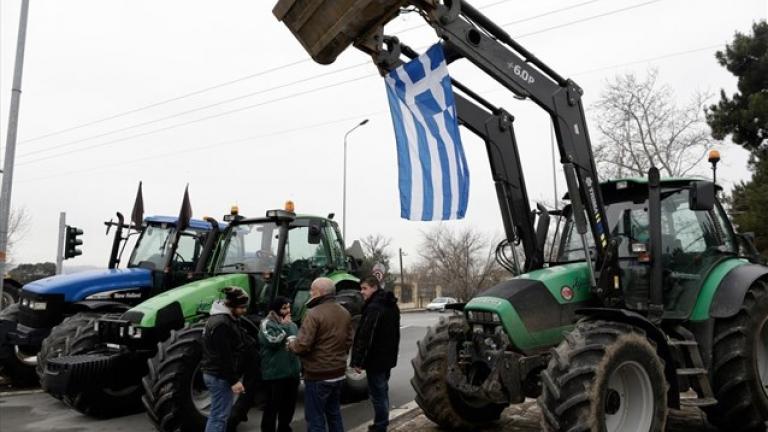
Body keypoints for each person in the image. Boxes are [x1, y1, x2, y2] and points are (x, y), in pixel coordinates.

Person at [287, 277, 353, 432]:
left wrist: (291, 344)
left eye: (312, 290)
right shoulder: (345, 312)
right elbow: (349, 340)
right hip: (338, 372)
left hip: (318, 375)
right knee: (334, 414)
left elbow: (302, 345)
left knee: (315, 418)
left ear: (319, 292)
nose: (310, 292)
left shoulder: (313, 314)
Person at [351, 276, 401, 432]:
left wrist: (358, 361)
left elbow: (366, 336)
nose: (362, 292)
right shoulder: (390, 305)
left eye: (364, 288)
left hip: (376, 360)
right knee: (382, 392)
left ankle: (380, 426)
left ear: (374, 287)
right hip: (387, 357)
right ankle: (381, 423)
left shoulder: (374, 307)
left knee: (378, 396)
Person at [201, 287, 250, 432]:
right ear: (232, 306)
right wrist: (234, 380)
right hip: (219, 375)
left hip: (214, 373)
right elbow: (224, 356)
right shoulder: (222, 323)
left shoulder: (219, 319)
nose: (244, 311)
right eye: (241, 307)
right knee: (219, 416)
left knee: (218, 414)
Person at [259, 296, 301, 432]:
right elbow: (273, 341)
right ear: (275, 310)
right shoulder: (267, 324)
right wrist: (285, 327)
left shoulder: (293, 325)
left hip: (292, 373)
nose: (288, 311)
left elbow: (297, 343)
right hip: (275, 374)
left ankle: (284, 428)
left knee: (288, 406)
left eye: (289, 307)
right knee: (272, 407)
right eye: (284, 308)